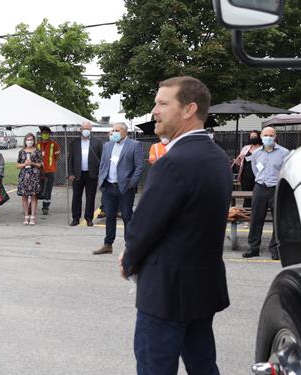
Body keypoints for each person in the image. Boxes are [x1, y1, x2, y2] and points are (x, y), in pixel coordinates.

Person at [121, 76, 231, 375]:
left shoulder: (174, 162)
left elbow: (143, 227)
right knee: (203, 365)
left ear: (188, 109)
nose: (154, 111)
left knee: (154, 366)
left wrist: (129, 259)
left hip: (166, 293)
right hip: (201, 287)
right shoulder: (217, 157)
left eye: (162, 103)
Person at [94, 123, 144, 255]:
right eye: (112, 130)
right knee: (109, 216)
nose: (113, 133)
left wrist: (131, 183)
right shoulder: (107, 145)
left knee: (127, 217)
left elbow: (139, 167)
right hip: (109, 186)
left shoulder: (134, 145)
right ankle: (108, 244)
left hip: (125, 188)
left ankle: (130, 247)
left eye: (116, 130)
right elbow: (103, 164)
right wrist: (101, 180)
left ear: (124, 132)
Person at [243, 126, 289, 260]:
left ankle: (275, 249)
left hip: (277, 188)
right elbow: (255, 170)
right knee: (256, 219)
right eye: (265, 135)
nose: (268, 137)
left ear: (275, 137)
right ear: (261, 137)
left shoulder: (284, 153)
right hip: (260, 188)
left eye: (271, 135)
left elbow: (286, 171)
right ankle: (253, 248)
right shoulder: (256, 153)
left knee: (278, 220)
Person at [67, 121, 102, 226]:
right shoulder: (74, 143)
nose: (86, 130)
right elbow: (70, 159)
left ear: (91, 130)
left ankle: (89, 218)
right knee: (76, 197)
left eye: (88, 128)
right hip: (77, 174)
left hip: (92, 174)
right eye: (84, 128)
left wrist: (100, 172)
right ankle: (76, 218)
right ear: (80, 130)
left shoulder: (97, 142)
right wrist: (70, 173)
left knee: (90, 197)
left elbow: (101, 158)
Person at [17, 133, 43, 225]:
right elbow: (17, 165)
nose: (29, 141)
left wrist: (32, 163)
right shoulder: (21, 151)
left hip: (34, 176)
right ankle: (26, 216)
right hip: (24, 176)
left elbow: (40, 165)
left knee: (33, 196)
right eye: (28, 139)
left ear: (34, 140)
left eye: (31, 139)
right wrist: (24, 164)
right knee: (24, 196)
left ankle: (32, 217)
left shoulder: (37, 151)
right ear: (25, 140)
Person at [232, 130, 262, 208]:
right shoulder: (246, 148)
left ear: (259, 137)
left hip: (258, 176)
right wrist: (238, 159)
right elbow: (238, 163)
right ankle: (246, 214)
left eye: (254, 136)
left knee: (257, 196)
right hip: (245, 176)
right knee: (246, 197)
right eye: (251, 136)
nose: (253, 138)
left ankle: (256, 213)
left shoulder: (263, 148)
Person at [36, 126, 62, 215]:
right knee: (37, 188)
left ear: (49, 134)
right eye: (43, 133)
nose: (45, 135)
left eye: (47, 133)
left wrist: (49, 162)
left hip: (50, 170)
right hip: (38, 171)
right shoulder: (37, 144)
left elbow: (57, 157)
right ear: (41, 134)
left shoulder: (54, 144)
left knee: (48, 189)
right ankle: (31, 205)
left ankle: (45, 207)